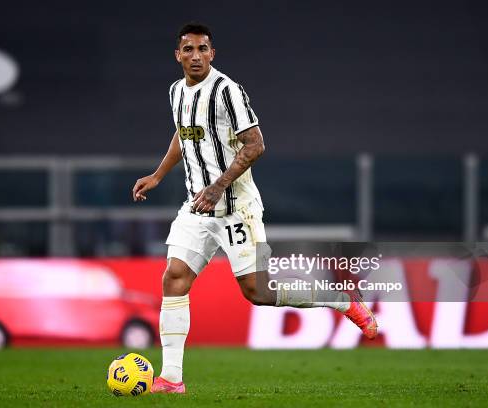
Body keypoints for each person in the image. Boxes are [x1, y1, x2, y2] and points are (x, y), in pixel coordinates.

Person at [132, 22, 377, 394]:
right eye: (188, 49)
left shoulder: (227, 91)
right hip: (196, 207)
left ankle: (340, 299)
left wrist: (217, 187)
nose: (195, 56)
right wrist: (157, 175)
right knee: (174, 277)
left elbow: (256, 144)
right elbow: (184, 135)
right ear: (177, 55)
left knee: (257, 292)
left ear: (212, 54)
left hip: (235, 207)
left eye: (202, 49)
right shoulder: (176, 92)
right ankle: (171, 378)